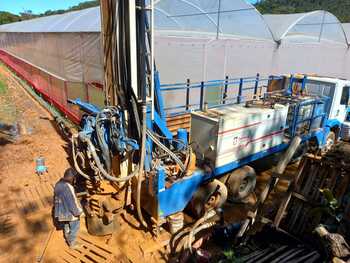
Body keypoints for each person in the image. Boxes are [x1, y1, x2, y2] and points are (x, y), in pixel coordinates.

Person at [54, 168, 83, 249]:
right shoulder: (68, 188)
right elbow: (72, 203)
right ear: (72, 178)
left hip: (61, 212)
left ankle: (67, 236)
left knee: (66, 224)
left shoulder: (58, 184)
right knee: (75, 226)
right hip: (69, 213)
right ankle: (72, 243)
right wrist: (78, 213)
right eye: (75, 179)